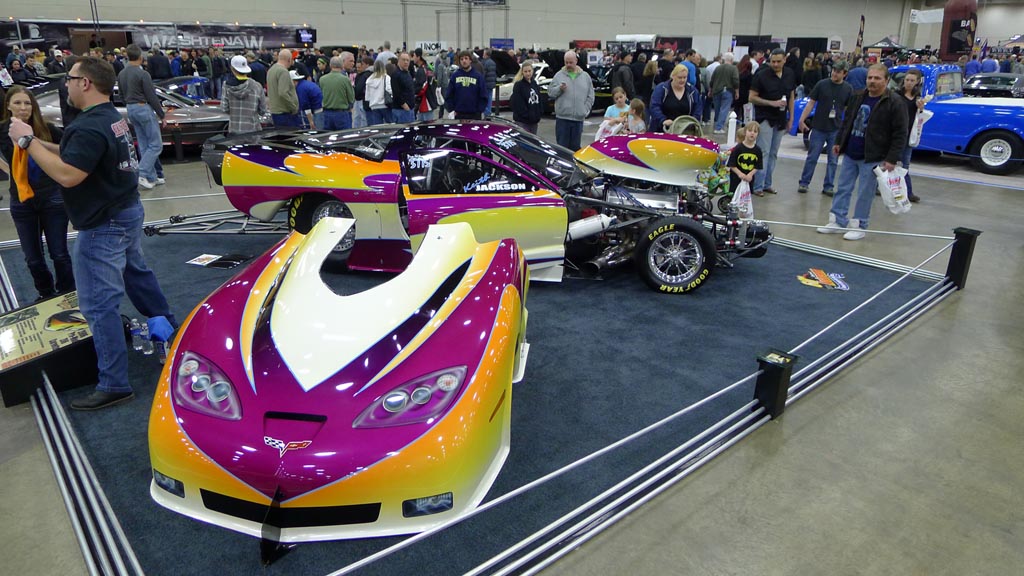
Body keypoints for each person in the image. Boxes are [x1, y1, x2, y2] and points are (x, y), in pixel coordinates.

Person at [7, 56, 176, 410]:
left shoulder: (88, 126)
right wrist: (41, 143)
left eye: (69, 79)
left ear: (84, 83)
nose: (65, 84)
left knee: (99, 305)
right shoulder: (111, 119)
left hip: (103, 224)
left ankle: (114, 383)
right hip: (126, 211)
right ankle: (173, 333)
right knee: (137, 275)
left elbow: (69, 174)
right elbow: (77, 155)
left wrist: (26, 142)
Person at [0, 86, 75, 301]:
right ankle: (46, 294)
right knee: (33, 258)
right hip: (22, 202)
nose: (23, 108)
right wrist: (9, 171)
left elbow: (68, 150)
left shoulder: (47, 129)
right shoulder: (3, 131)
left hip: (52, 198)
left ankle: (68, 293)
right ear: (8, 106)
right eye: (17, 103)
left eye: (27, 103)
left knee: (59, 254)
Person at [817, 64, 908, 241]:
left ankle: (859, 224)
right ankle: (837, 220)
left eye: (877, 78)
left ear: (886, 80)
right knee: (843, 187)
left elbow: (900, 133)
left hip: (874, 156)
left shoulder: (895, 102)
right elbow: (847, 120)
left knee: (865, 192)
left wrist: (892, 158)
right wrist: (839, 142)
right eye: (870, 78)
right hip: (851, 152)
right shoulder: (858, 96)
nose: (872, 81)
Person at [797, 60, 853, 197]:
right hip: (818, 128)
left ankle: (828, 186)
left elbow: (848, 109)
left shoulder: (848, 89)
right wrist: (802, 120)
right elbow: (811, 103)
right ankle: (804, 182)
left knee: (833, 161)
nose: (834, 73)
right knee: (812, 157)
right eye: (834, 70)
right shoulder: (822, 84)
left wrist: (846, 128)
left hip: (836, 129)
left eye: (838, 72)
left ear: (844, 74)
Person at [748, 48, 796, 195]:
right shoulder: (761, 75)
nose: (775, 64)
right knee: (763, 152)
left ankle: (767, 183)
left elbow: (791, 97)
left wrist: (791, 118)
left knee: (774, 153)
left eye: (778, 61)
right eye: (772, 61)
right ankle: (758, 186)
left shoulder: (789, 74)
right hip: (765, 118)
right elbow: (751, 97)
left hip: (781, 119)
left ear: (784, 60)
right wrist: (771, 103)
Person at [117, 44, 165, 190]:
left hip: (130, 109)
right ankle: (143, 173)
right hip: (143, 107)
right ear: (140, 57)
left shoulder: (121, 74)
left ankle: (151, 177)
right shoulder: (143, 74)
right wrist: (161, 114)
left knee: (144, 144)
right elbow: (151, 96)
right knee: (156, 144)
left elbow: (120, 94)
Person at [547, 50, 594, 150]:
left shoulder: (585, 77)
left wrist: (585, 110)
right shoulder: (558, 76)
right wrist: (559, 89)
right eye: (566, 62)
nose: (568, 65)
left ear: (576, 61)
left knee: (575, 149)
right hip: (562, 120)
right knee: (561, 149)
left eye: (570, 62)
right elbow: (550, 92)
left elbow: (590, 96)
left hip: (578, 120)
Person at [220, 54, 266, 135]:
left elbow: (224, 108)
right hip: (253, 131)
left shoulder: (226, 86)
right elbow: (262, 111)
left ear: (232, 68)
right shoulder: (257, 86)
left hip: (234, 130)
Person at [898, 67, 925, 203]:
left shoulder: (917, 99)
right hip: (895, 134)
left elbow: (920, 117)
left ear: (917, 82)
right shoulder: (897, 95)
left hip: (908, 136)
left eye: (912, 80)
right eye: (907, 80)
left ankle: (908, 192)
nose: (909, 83)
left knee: (905, 166)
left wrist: (921, 109)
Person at [649, 64, 698, 133]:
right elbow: (654, 106)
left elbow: (697, 109)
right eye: (679, 77)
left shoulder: (692, 91)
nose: (682, 80)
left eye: (685, 77)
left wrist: (692, 122)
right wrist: (663, 120)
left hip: (684, 130)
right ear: (673, 76)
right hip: (662, 129)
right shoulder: (661, 88)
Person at [445, 50, 487, 121]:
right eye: (461, 59)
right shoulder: (455, 76)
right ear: (460, 61)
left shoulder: (478, 76)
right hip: (459, 114)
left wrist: (480, 110)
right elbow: (449, 95)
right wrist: (451, 110)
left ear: (470, 60)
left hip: (474, 115)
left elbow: (483, 95)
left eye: (466, 58)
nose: (464, 61)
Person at [727, 121, 763, 199]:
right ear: (745, 132)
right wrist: (740, 174)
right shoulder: (738, 148)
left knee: (746, 198)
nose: (752, 133)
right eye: (750, 131)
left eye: (755, 131)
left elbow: (758, 165)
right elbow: (731, 164)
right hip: (736, 178)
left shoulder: (758, 150)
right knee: (734, 197)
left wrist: (750, 174)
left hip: (749, 179)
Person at [319, 54, 355, 130]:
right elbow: (351, 98)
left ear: (330, 65)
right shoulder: (345, 79)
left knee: (328, 137)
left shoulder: (322, 79)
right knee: (344, 137)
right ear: (342, 65)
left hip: (326, 113)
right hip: (341, 114)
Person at [268, 50, 301, 127]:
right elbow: (283, 93)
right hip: (285, 114)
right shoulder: (283, 71)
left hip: (275, 112)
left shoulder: (271, 70)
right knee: (292, 137)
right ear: (289, 59)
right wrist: (293, 108)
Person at [510, 60, 543, 134]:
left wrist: (539, 113)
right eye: (525, 71)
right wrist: (527, 115)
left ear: (532, 71)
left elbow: (539, 99)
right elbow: (518, 104)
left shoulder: (534, 83)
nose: (528, 73)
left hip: (534, 121)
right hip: (523, 121)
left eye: (529, 71)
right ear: (522, 72)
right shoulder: (518, 85)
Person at [710, 52, 739, 134]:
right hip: (728, 91)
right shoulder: (734, 68)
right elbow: (735, 80)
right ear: (732, 60)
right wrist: (737, 91)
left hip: (716, 90)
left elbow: (712, 80)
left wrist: (710, 90)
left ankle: (716, 125)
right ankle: (719, 128)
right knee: (724, 109)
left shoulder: (718, 68)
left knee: (717, 109)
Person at [411, 49, 438, 122]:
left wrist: (414, 93)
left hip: (425, 103)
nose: (412, 58)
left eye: (414, 55)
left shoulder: (422, 70)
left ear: (418, 57)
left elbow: (423, 86)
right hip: (428, 101)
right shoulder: (428, 67)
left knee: (426, 126)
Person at [389, 52, 416, 123]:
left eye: (407, 60)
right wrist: (405, 106)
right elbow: (396, 93)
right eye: (403, 60)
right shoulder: (396, 74)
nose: (406, 62)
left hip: (410, 109)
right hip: (401, 111)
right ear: (399, 61)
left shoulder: (407, 73)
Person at [364, 59, 392, 125]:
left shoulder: (369, 80)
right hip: (385, 105)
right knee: (390, 126)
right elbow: (389, 90)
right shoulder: (386, 77)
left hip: (374, 105)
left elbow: (367, 96)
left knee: (377, 127)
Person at [353, 56, 374, 128]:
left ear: (367, 65)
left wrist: (355, 94)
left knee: (361, 118)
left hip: (362, 99)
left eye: (362, 64)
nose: (360, 67)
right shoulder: (375, 73)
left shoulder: (364, 75)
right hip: (371, 100)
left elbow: (359, 88)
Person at [480, 48, 498, 115]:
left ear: (486, 54)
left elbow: (484, 74)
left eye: (483, 53)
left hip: (486, 83)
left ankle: (487, 112)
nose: (482, 55)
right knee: (489, 98)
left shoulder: (485, 63)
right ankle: (488, 111)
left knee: (485, 99)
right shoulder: (493, 62)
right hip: (491, 83)